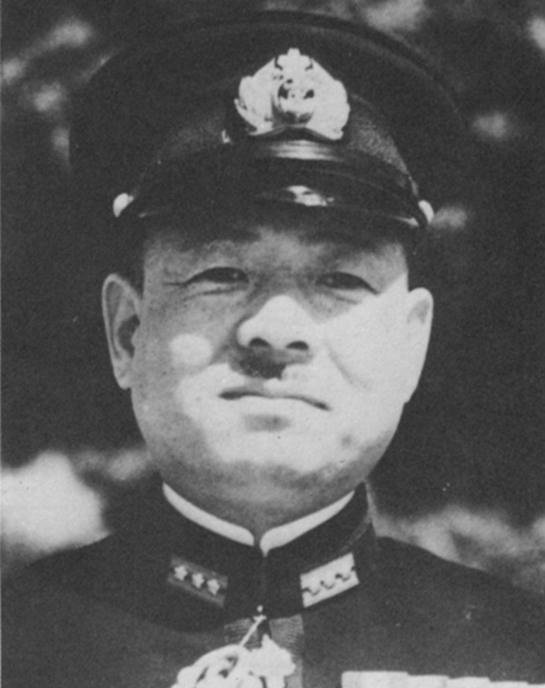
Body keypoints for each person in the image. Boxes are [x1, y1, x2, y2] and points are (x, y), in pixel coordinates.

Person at [4, 7, 545, 688]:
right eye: (222, 273)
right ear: (127, 332)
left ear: (410, 345)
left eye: (339, 279)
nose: (275, 329)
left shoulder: (523, 655)